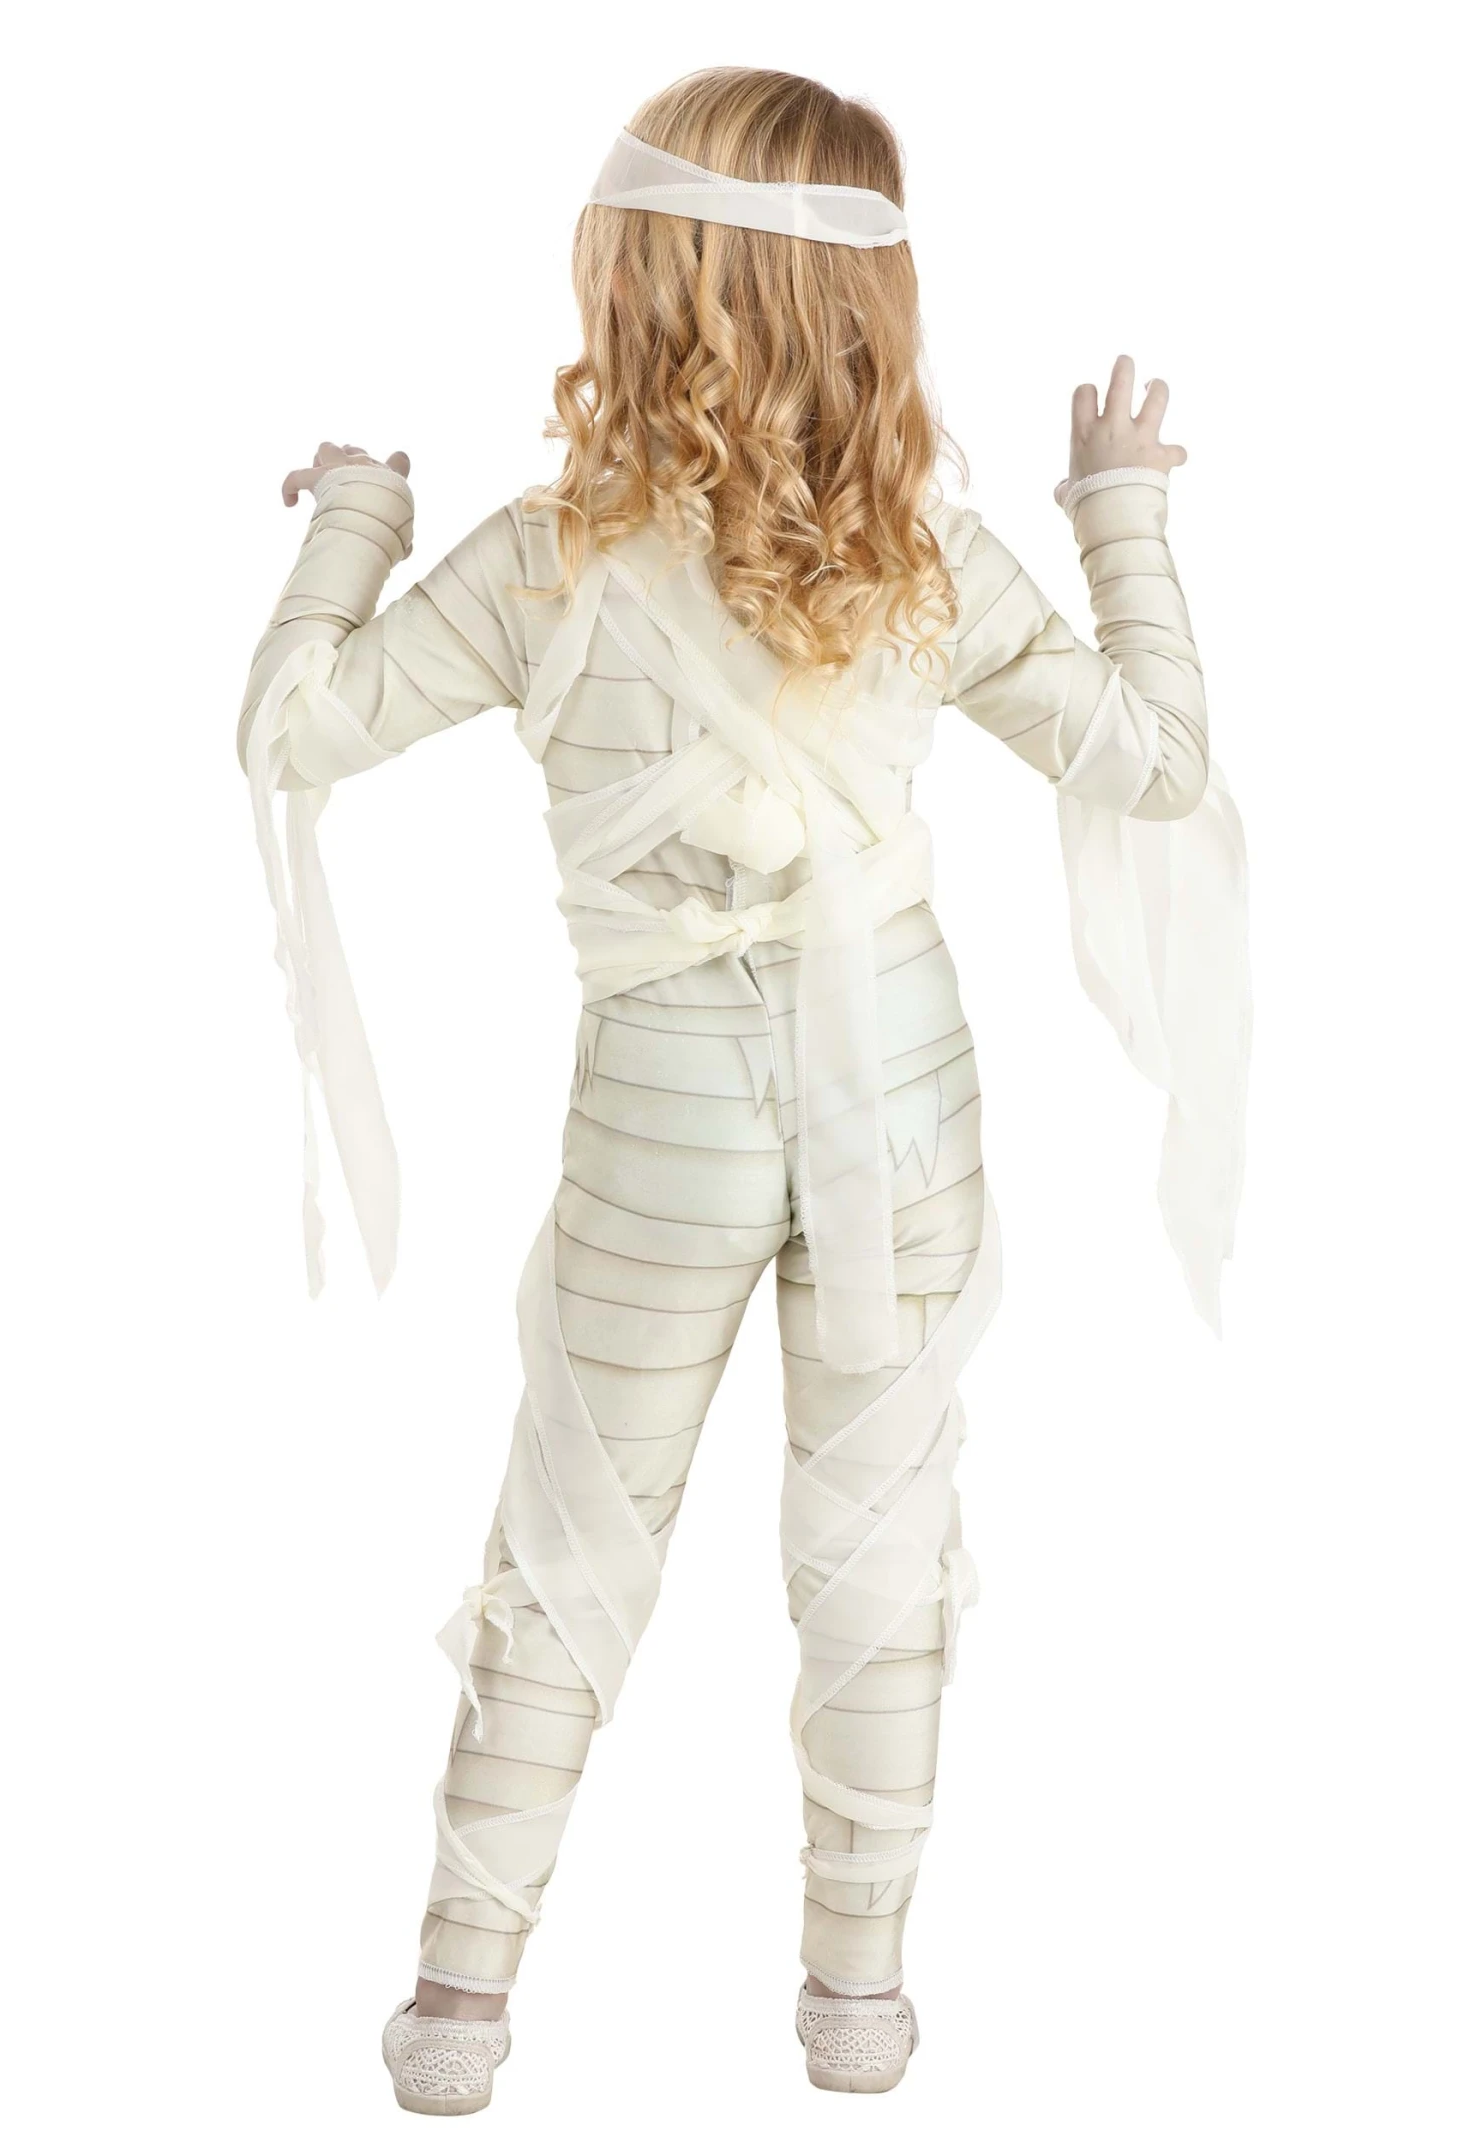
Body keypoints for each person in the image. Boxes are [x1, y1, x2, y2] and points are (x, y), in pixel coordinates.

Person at [239, 66, 1247, 2115]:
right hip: (906, 1112)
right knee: (881, 1559)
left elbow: (294, 726)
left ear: (636, 279)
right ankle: (857, 2014)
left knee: (568, 1536)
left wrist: (356, 515)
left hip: (662, 1130)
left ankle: (456, 2012)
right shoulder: (926, 556)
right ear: (867, 301)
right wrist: (1123, 515)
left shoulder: (543, 562)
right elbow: (1158, 764)